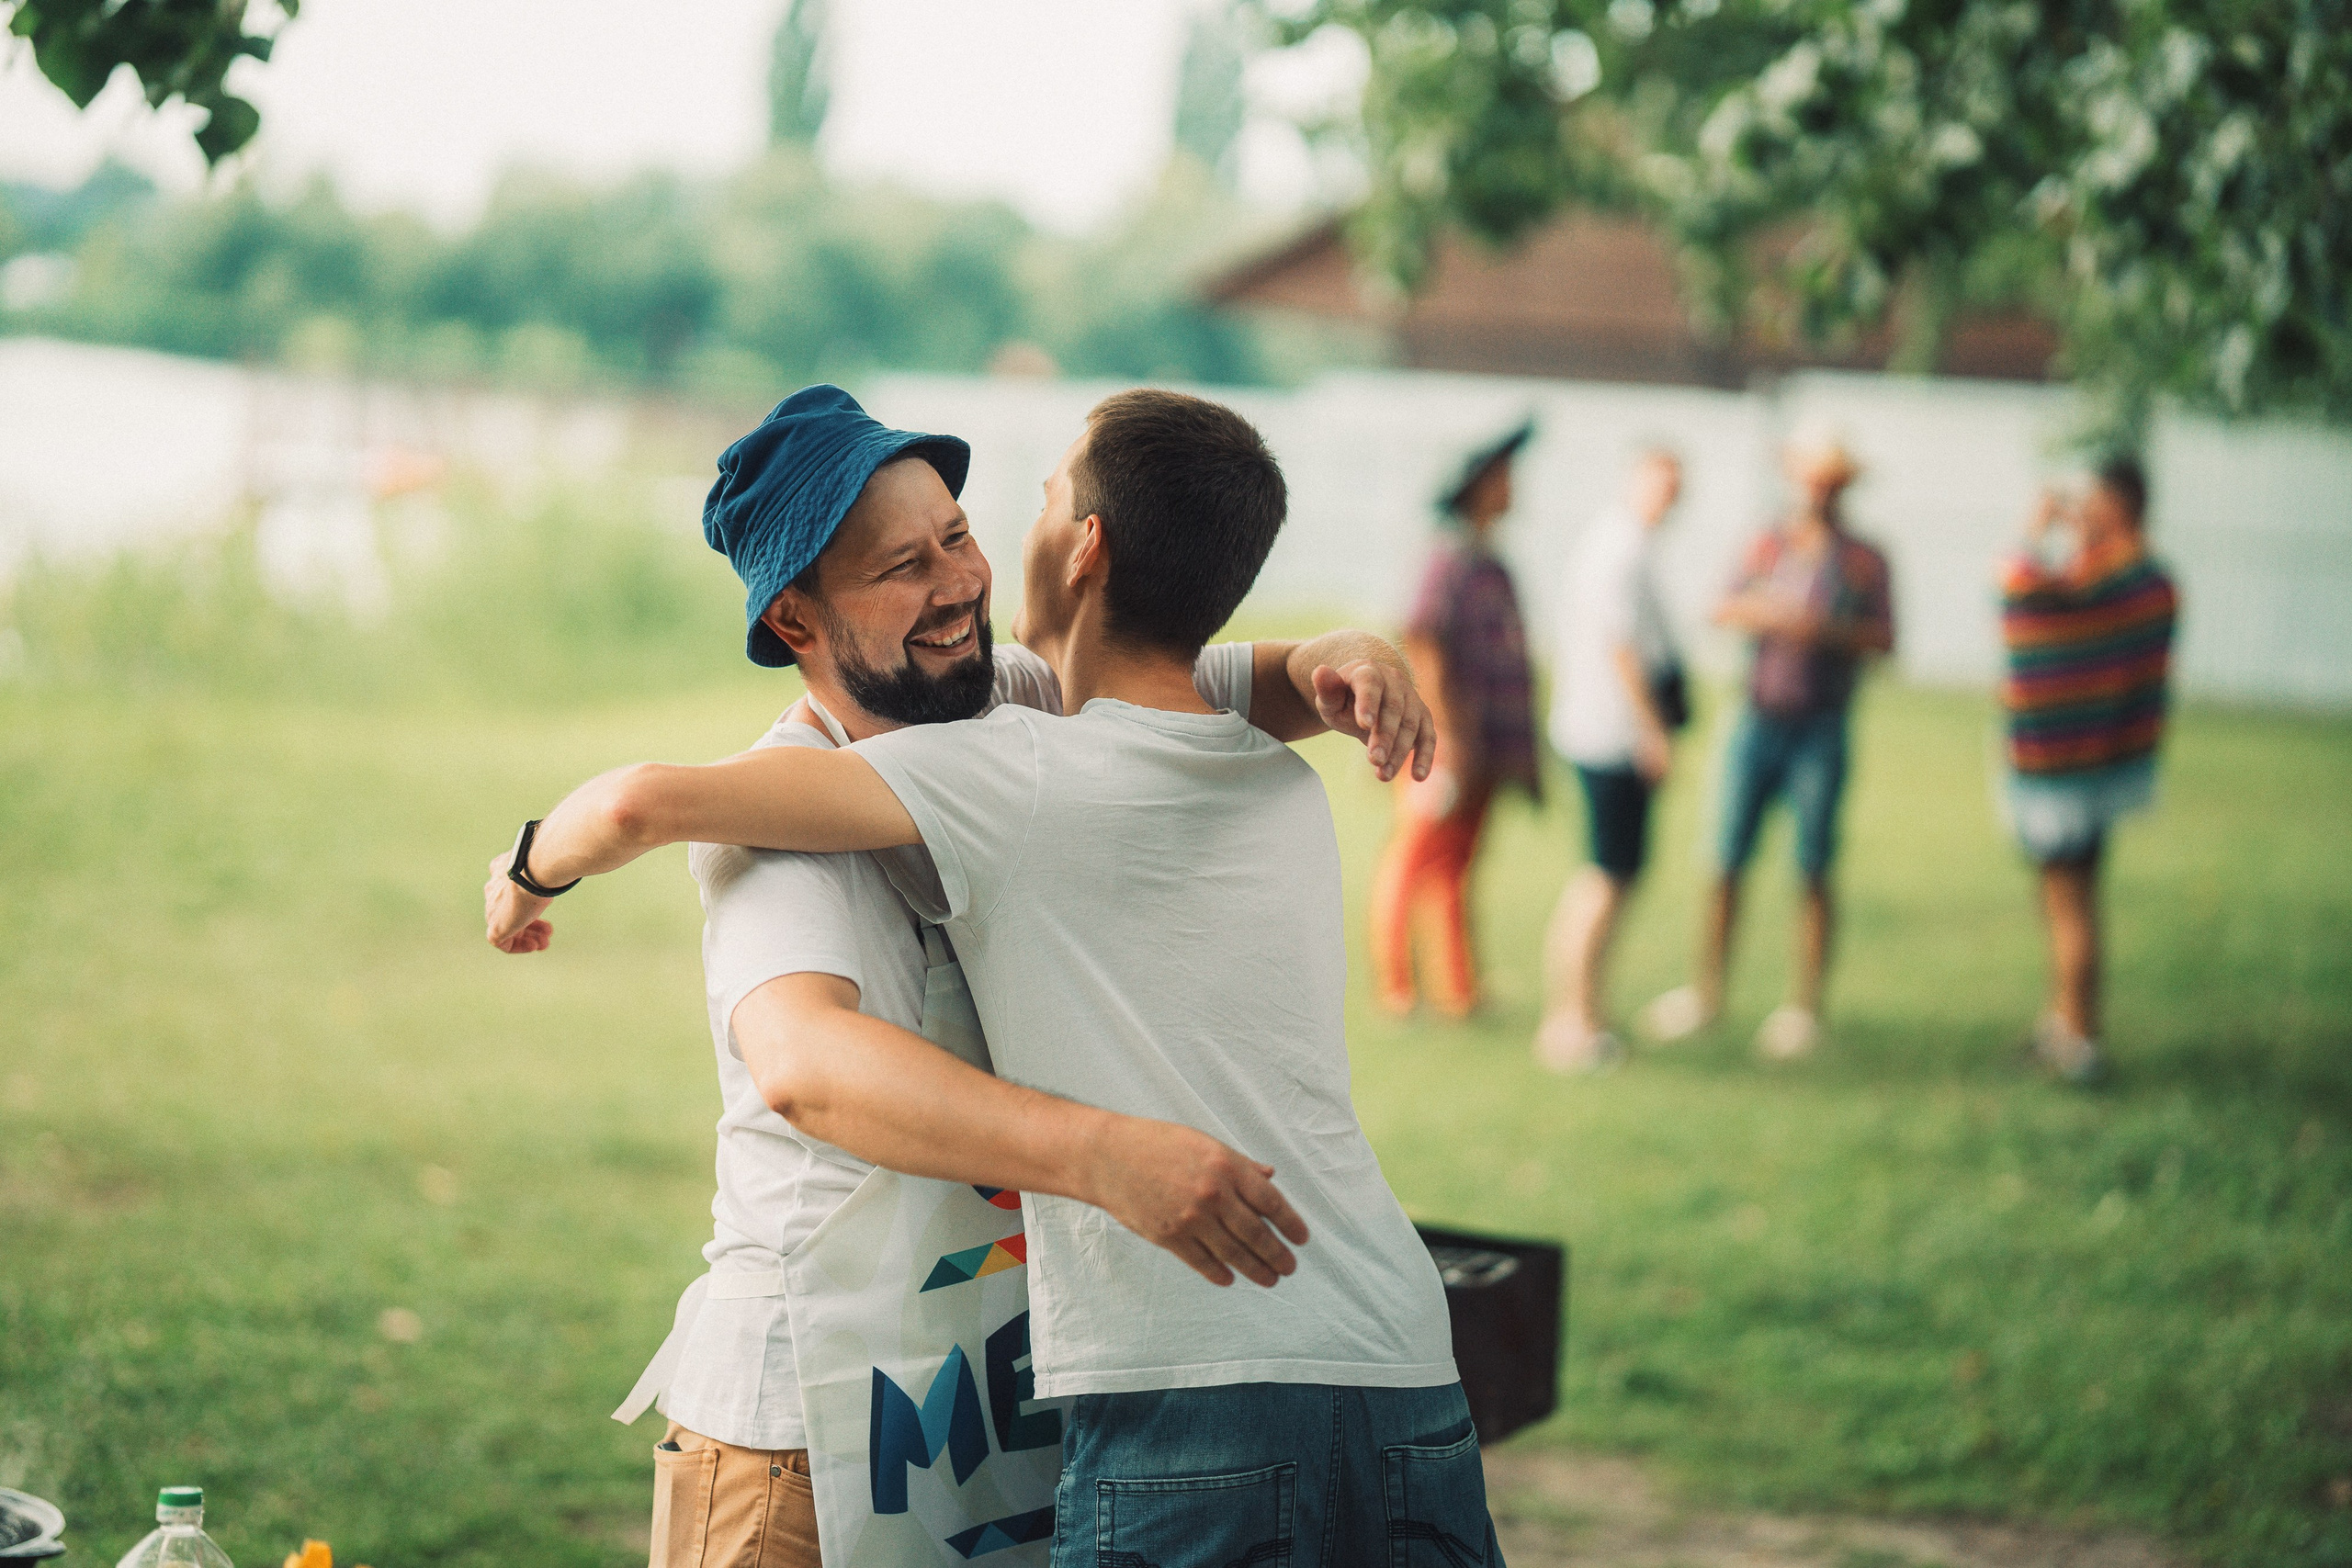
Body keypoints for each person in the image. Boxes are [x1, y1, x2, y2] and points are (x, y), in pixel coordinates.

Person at [487, 389, 1502, 1564]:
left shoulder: (1015, 705)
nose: (957, 582)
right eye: (900, 568)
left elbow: (1196, 673)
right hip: (804, 1424)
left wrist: (1347, 652)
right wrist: (532, 865)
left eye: (959, 535)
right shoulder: (773, 827)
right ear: (795, 618)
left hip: (986, 1412)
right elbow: (807, 1068)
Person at [1641, 431, 1894, 1061]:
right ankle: (1707, 993)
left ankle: (1804, 1008)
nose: (1819, 490)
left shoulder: (1865, 558)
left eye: (1831, 480)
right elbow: (1720, 607)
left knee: (1813, 865)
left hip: (1823, 725)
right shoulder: (1765, 542)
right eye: (1811, 477)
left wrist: (1826, 631)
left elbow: (1885, 639)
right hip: (1755, 717)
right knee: (1723, 859)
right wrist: (1768, 614)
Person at [1998, 455, 2178, 1084]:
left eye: (2091, 503)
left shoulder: (2113, 576)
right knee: (2076, 898)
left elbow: (2021, 595)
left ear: (2118, 505)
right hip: (2107, 766)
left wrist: (2035, 529)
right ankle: (2069, 1018)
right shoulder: (2154, 578)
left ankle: (2079, 1037)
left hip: (2062, 768)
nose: (2081, 515)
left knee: (2066, 901)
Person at [1371, 420, 1543, 1017]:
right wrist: (1448, 738)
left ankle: (1458, 990)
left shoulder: (1488, 560)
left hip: (1485, 743)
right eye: (1504, 477)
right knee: (1415, 855)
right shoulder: (1446, 558)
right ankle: (1397, 987)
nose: (1514, 487)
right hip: (1446, 742)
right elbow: (1424, 643)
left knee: (1457, 865)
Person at [1536, 447, 1685, 1072]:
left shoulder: (1622, 542)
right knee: (1604, 875)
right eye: (1662, 482)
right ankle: (1571, 1020)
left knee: (1612, 875)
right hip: (1611, 733)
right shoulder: (1619, 548)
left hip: (1601, 728)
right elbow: (1621, 645)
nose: (1669, 496)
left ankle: (1586, 1010)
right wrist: (1653, 730)